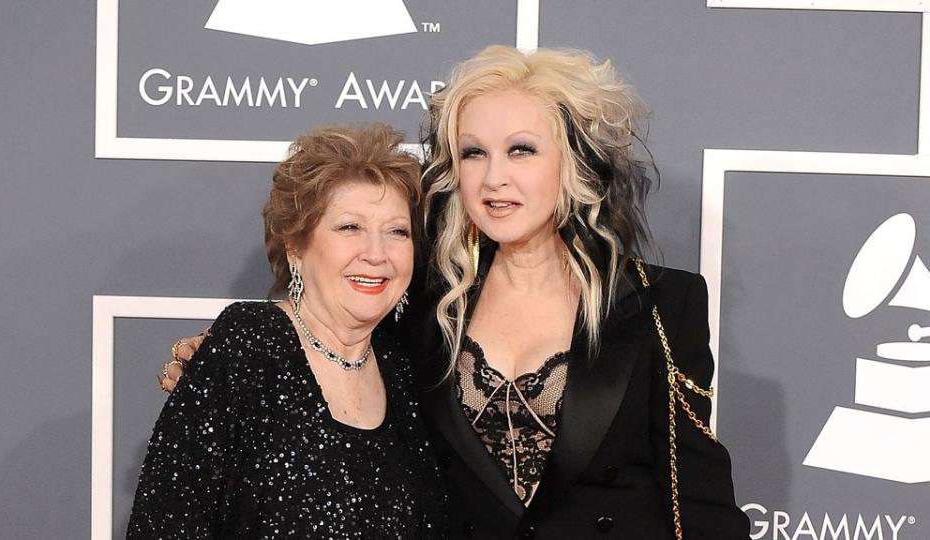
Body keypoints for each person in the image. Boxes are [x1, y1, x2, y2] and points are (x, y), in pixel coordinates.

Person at [160, 45, 749, 539]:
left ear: (572, 162)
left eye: (521, 149)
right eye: (474, 153)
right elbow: (331, 347)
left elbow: (699, 503)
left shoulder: (663, 304)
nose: (494, 179)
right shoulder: (419, 301)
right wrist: (226, 359)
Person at [129, 123, 447, 539]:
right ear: (296, 245)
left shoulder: (403, 366)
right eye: (350, 227)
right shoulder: (248, 345)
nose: (376, 254)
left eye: (396, 231)